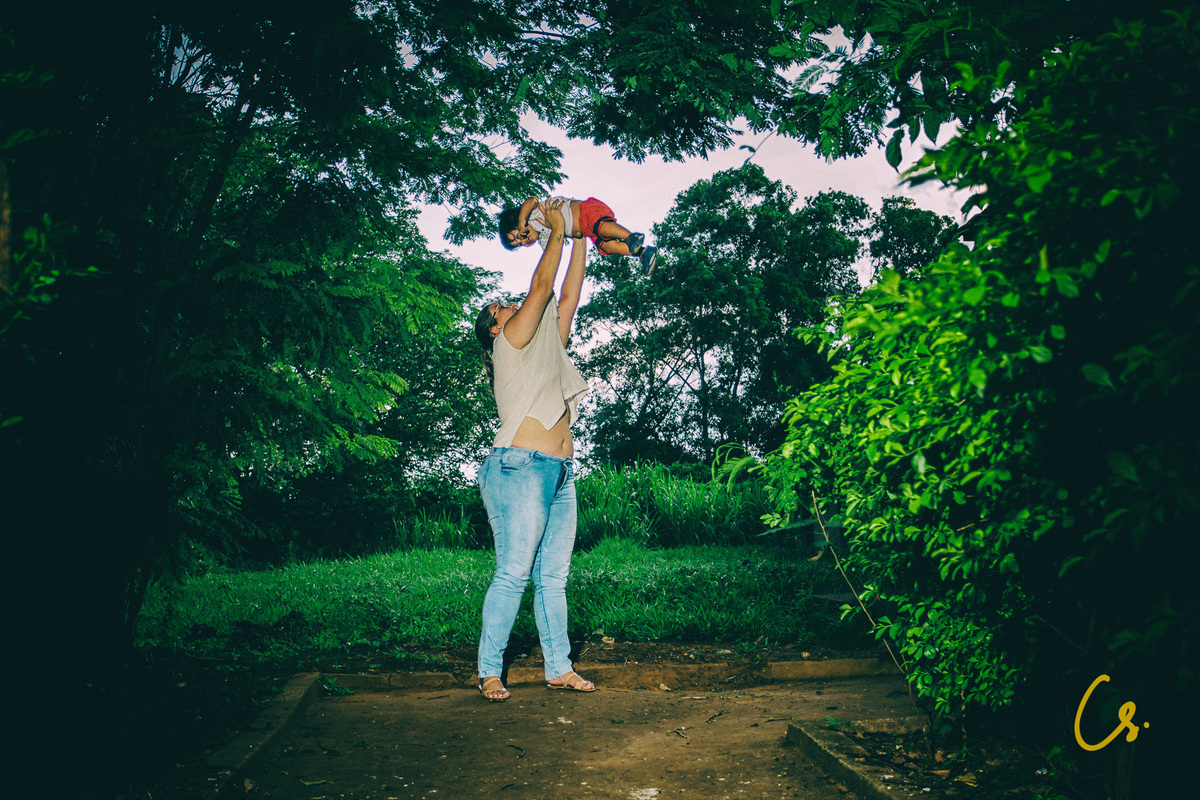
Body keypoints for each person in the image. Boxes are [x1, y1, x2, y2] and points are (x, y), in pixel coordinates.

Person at [472, 198, 597, 702]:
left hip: (560, 471)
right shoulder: (510, 343)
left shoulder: (544, 340)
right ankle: (488, 671)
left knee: (553, 577)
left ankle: (558, 668)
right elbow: (542, 288)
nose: (503, 303)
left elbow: (566, 295)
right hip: (519, 468)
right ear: (496, 328)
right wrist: (553, 233)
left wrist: (579, 232)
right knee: (514, 572)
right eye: (496, 307)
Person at [498, 195, 658, 275]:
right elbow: (551, 252)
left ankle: (630, 237)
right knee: (606, 246)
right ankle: (643, 252)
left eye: (516, 236)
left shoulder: (535, 214)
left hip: (587, 211)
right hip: (587, 230)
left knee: (601, 227)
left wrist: (521, 220)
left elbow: (531, 200)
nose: (521, 241)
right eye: (519, 245)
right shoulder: (545, 235)